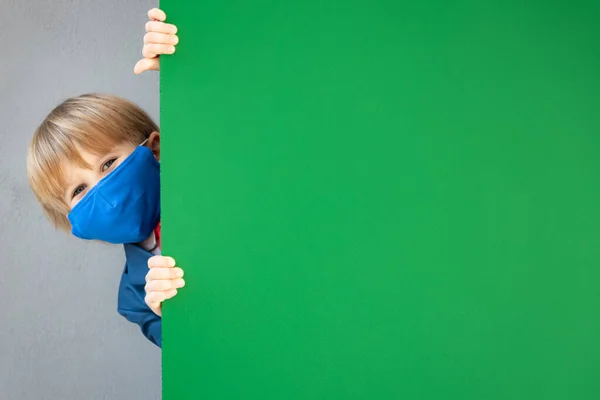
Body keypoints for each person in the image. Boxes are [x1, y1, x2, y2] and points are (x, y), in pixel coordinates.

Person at [26, 8, 181, 348]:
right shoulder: (132, 302)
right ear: (74, 224)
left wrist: (185, 68)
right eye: (79, 189)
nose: (102, 190)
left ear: (153, 148)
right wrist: (178, 318)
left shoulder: (204, 183)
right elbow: (199, 362)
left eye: (108, 163)